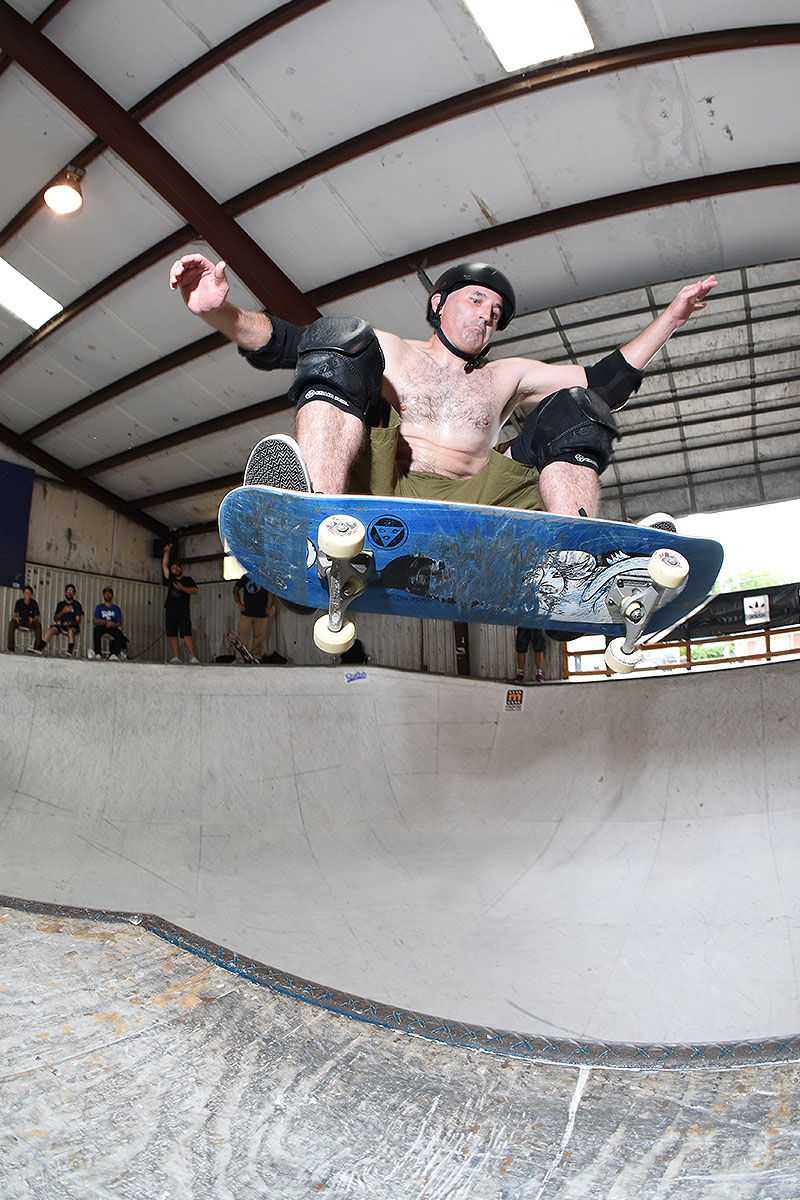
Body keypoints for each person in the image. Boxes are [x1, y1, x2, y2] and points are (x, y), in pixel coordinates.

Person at [169, 253, 717, 520]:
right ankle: (316, 514)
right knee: (340, 337)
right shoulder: (394, 350)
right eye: (476, 300)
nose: (486, 316)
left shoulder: (509, 375)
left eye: (496, 312)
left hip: (477, 499)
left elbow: (604, 384)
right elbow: (289, 343)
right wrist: (222, 313)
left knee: (579, 408)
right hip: (385, 483)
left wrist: (670, 318)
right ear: (439, 303)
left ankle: (570, 563)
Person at [161, 544, 200, 663]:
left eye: (177, 567)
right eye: (173, 568)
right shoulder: (171, 580)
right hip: (171, 612)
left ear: (180, 568)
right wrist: (166, 553)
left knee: (187, 634)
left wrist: (182, 588)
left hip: (183, 612)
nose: (175, 569)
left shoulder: (187, 580)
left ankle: (193, 656)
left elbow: (195, 591)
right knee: (172, 634)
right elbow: (164, 566)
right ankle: (176, 656)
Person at [232, 573, 275, 661]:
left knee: (259, 637)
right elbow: (235, 590)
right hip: (246, 613)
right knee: (242, 635)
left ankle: (257, 656)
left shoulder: (266, 577)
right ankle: (240, 657)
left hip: (262, 614)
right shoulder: (246, 577)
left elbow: (276, 591)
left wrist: (272, 606)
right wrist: (238, 603)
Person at [38, 583, 84, 656]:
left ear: (74, 593)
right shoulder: (61, 604)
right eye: (68, 591)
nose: (69, 593)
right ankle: (39, 648)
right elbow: (55, 618)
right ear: (65, 592)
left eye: (71, 591)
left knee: (70, 631)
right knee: (50, 630)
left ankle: (69, 651)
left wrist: (70, 623)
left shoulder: (77, 605)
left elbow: (78, 620)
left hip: (73, 626)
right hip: (62, 625)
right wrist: (63, 611)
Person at [89, 586, 128, 660]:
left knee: (120, 636)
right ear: (103, 595)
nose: (107, 595)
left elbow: (119, 623)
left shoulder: (116, 609)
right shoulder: (99, 607)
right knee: (96, 631)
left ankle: (113, 654)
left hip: (112, 626)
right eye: (106, 594)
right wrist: (106, 621)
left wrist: (112, 624)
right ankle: (98, 653)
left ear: (112, 595)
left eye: (109, 594)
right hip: (102, 626)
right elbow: (96, 620)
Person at [8, 585, 42, 653]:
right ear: (23, 594)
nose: (28, 595)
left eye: (29, 593)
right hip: (21, 621)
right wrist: (16, 618)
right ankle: (11, 646)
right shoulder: (19, 602)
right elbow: (15, 614)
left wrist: (33, 620)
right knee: (12, 622)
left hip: (30, 622)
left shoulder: (34, 603)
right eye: (26, 593)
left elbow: (37, 617)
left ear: (31, 595)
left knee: (38, 624)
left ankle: (37, 647)